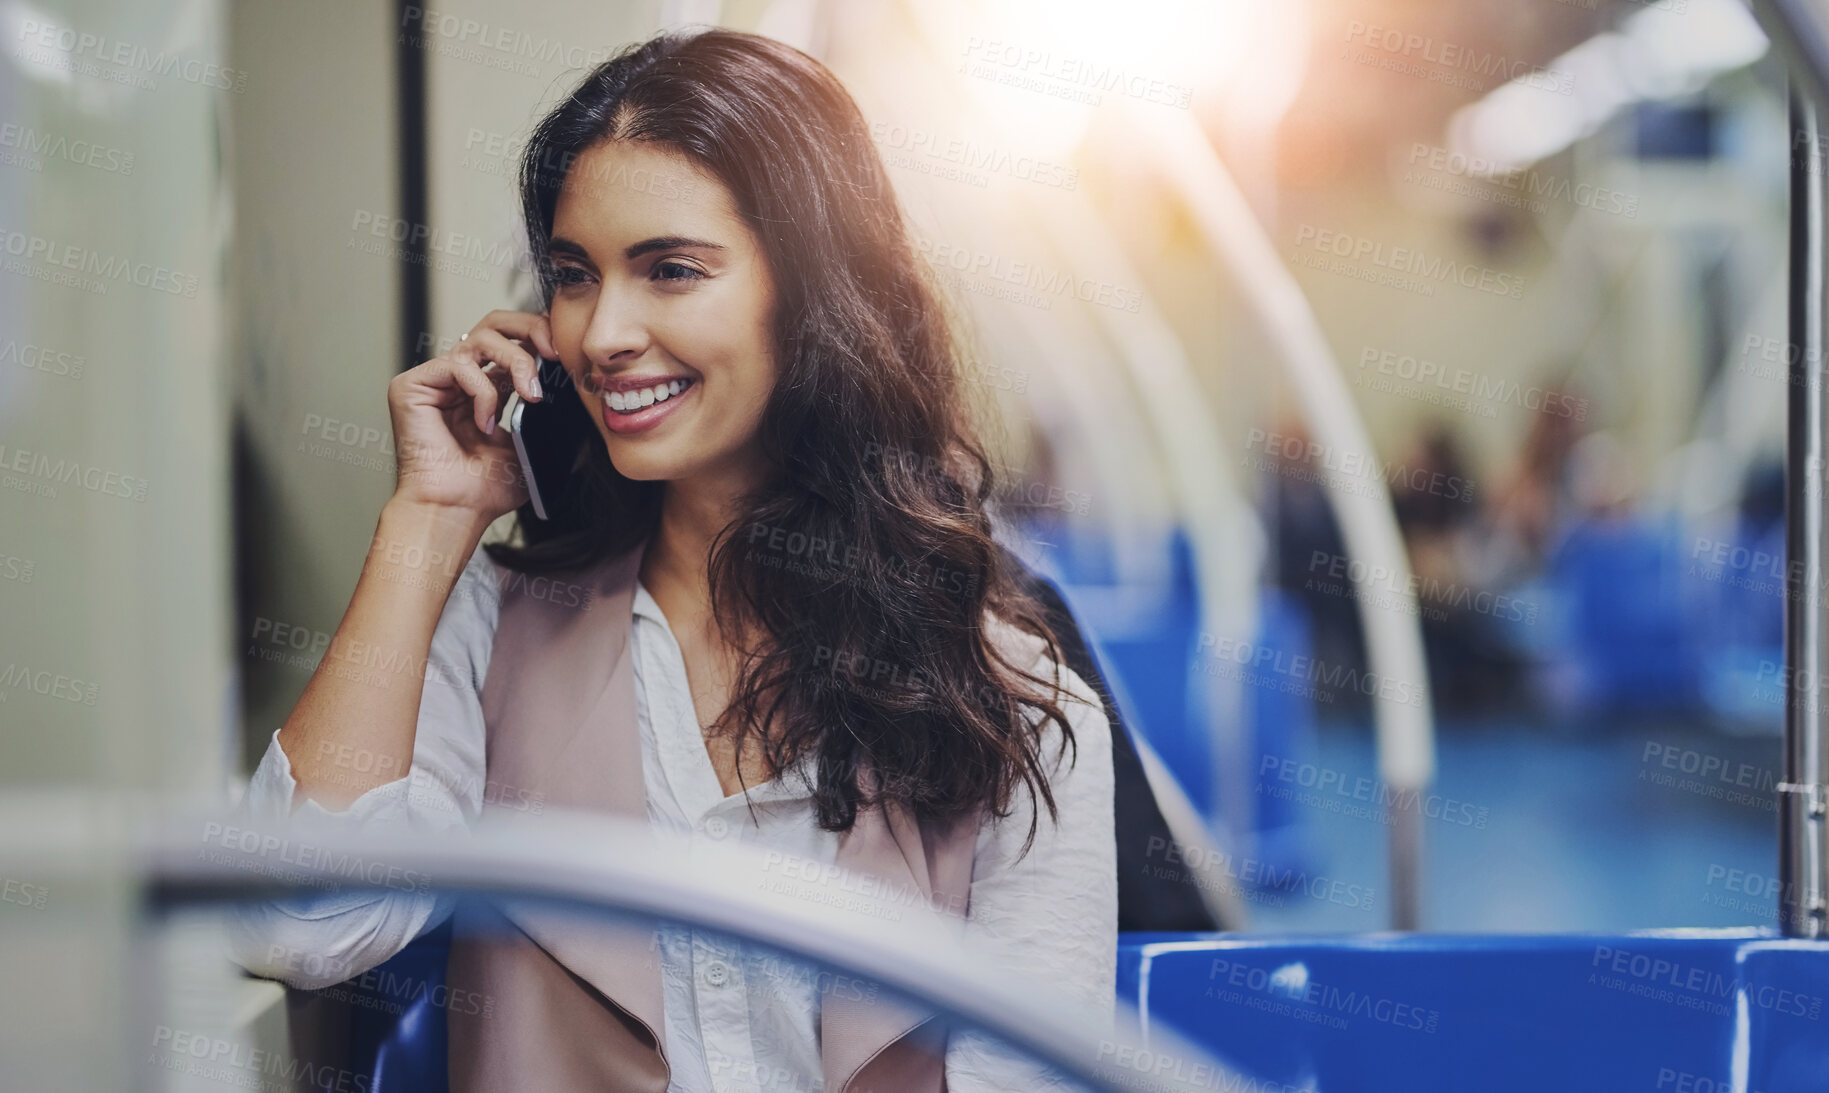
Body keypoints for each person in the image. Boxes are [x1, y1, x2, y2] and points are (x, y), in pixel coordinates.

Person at [228, 26, 1116, 1093]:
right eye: (573, 275)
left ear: (810, 292)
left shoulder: (1011, 700)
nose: (602, 332)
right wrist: (428, 516)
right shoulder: (493, 628)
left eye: (670, 270)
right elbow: (293, 924)